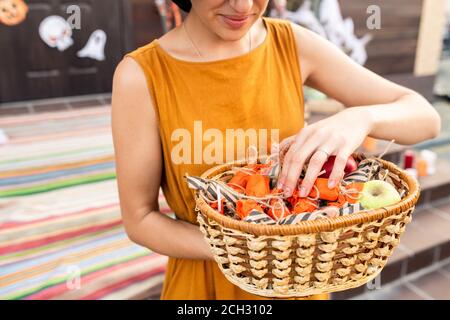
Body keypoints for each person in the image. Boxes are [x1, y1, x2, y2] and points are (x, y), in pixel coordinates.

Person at [111, 0, 441, 300]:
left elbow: (425, 118)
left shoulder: (292, 45)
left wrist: (362, 117)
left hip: (294, 281)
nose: (242, 6)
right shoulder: (141, 75)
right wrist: (245, 247)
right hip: (206, 283)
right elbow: (139, 219)